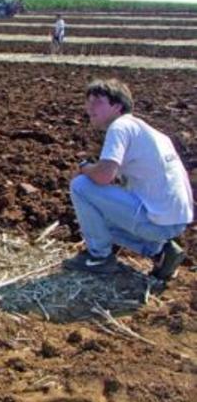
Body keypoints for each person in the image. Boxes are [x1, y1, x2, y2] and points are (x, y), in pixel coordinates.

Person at [64, 79, 193, 279]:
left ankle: (99, 257)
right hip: (174, 220)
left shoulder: (120, 127)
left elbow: (104, 176)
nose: (89, 107)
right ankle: (160, 251)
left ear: (117, 106)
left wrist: (84, 168)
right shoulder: (149, 132)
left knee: (81, 186)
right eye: (87, 101)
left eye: (97, 101)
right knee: (98, 214)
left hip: (157, 221)